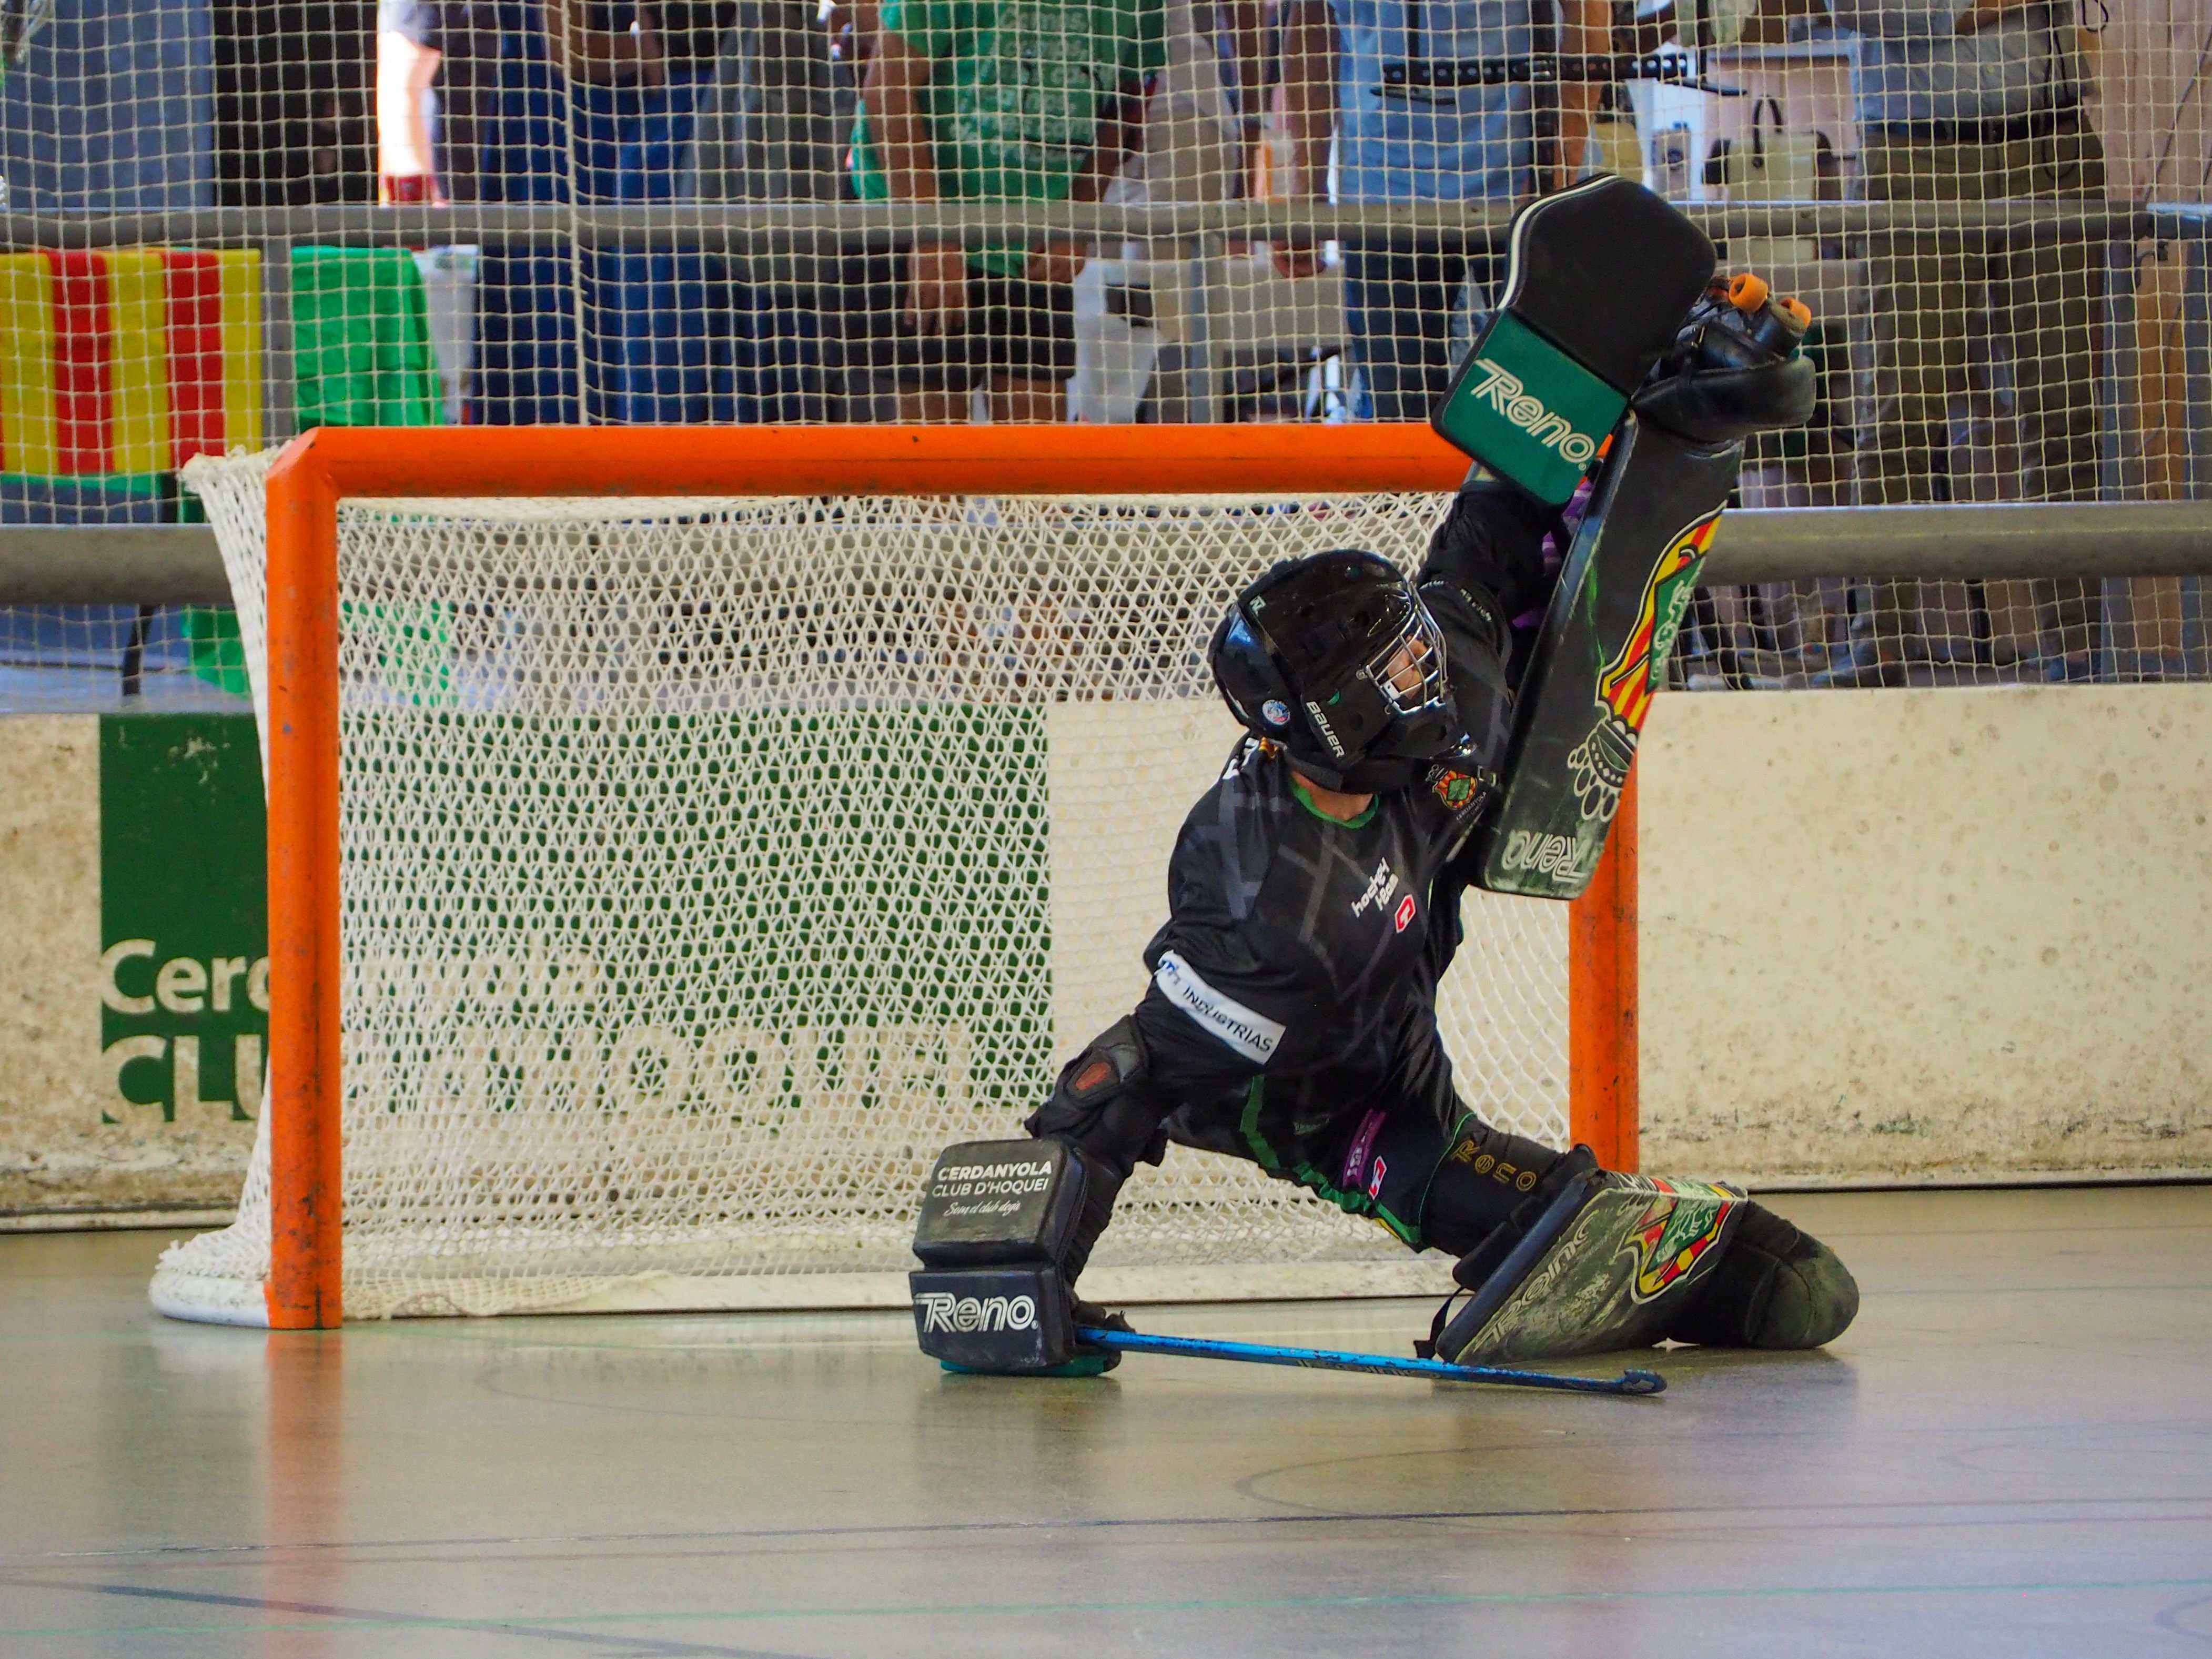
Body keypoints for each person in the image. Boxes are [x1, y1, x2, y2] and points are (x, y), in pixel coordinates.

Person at [1021, 479, 1860, 1355]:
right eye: (1405, 663)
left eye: (1418, 642)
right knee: (1788, 1296)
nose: (1433, 662)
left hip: (1396, 1022)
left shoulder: (1446, 685)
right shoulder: (1272, 910)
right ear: (1343, 715)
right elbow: (1129, 1076)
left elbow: (1483, 551)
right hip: (1342, 1115)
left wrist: (1654, 404)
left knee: (1799, 1284)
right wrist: (1017, 1277)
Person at [1826, 0, 2105, 681]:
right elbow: (1869, 9)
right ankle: (1880, 643)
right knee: (1901, 412)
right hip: (1917, 155)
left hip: (2050, 150)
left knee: (2065, 407)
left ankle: (2079, 648)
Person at [1269, 0, 1611, 421]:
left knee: (1541, 413)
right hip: (1385, 188)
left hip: (1520, 183)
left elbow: (1591, 15)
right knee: (1397, 413)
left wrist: (1556, 166)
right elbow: (1312, 27)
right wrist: (1308, 187)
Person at [843, 0, 1167, 422]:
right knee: (930, 451)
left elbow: (1122, 106)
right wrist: (931, 233)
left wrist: (1077, 218)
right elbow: (886, 90)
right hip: (920, 212)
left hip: (1032, 231)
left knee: (1033, 446)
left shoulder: (1136, 8)